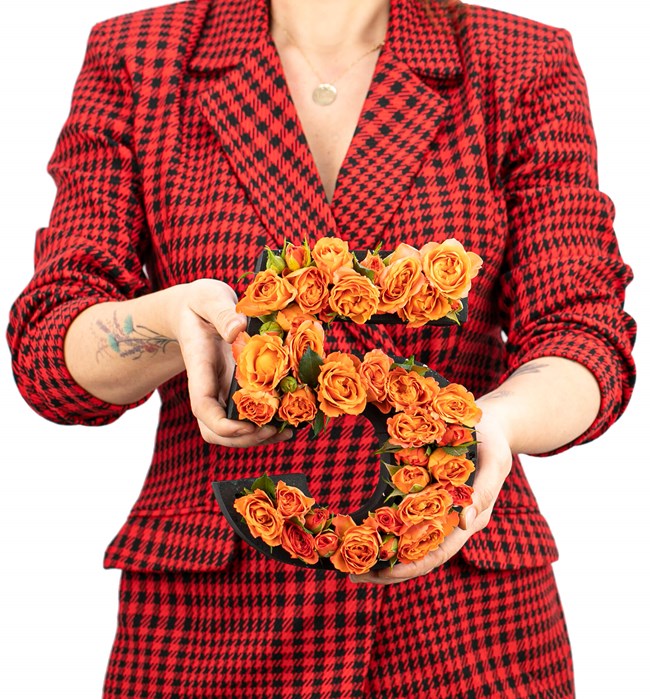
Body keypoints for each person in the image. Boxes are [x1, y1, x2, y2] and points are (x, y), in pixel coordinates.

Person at [6, 0, 636, 696]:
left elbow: (584, 333)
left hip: (467, 624)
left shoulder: (518, 60)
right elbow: (50, 350)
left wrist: (497, 421)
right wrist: (170, 322)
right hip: (210, 629)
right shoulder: (140, 56)